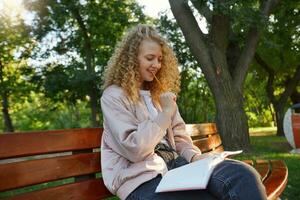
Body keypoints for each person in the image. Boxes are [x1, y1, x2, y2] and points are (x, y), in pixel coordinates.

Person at [100, 24, 267, 200]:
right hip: (142, 178)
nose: (156, 65)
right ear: (131, 59)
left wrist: (195, 158)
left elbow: (180, 139)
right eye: (150, 58)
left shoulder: (159, 96)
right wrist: (164, 115)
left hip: (178, 167)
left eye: (159, 59)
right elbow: (135, 149)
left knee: (243, 175)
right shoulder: (113, 97)